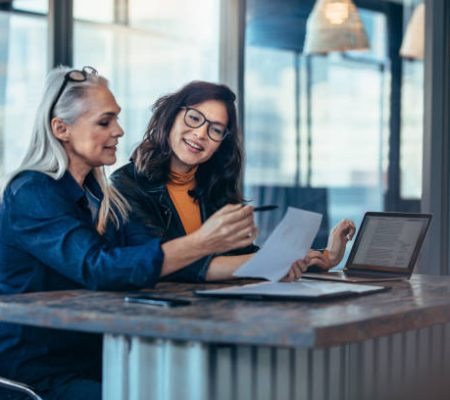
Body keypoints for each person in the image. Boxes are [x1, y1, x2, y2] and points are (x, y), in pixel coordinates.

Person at [0, 67, 267, 399]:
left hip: (98, 356)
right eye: (104, 122)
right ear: (61, 128)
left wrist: (272, 266)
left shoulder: (101, 197)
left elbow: (156, 256)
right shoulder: (31, 192)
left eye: (116, 120)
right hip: (41, 370)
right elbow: (99, 267)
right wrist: (203, 241)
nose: (119, 131)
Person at [110, 81, 356, 283]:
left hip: (215, 313)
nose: (201, 134)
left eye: (216, 130)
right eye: (194, 118)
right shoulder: (126, 185)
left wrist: (324, 257)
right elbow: (163, 263)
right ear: (171, 116)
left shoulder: (213, 186)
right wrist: (270, 263)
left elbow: (242, 256)